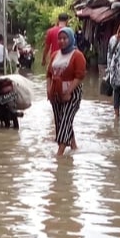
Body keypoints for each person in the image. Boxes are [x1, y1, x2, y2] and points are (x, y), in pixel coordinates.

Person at [47, 27, 86, 157]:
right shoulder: (55, 55)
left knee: (65, 120)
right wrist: (48, 90)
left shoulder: (77, 55)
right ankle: (74, 147)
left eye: (65, 38)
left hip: (72, 93)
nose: (62, 41)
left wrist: (68, 92)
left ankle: (59, 155)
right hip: (56, 92)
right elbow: (49, 74)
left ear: (71, 39)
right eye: (59, 39)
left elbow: (79, 77)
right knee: (60, 121)